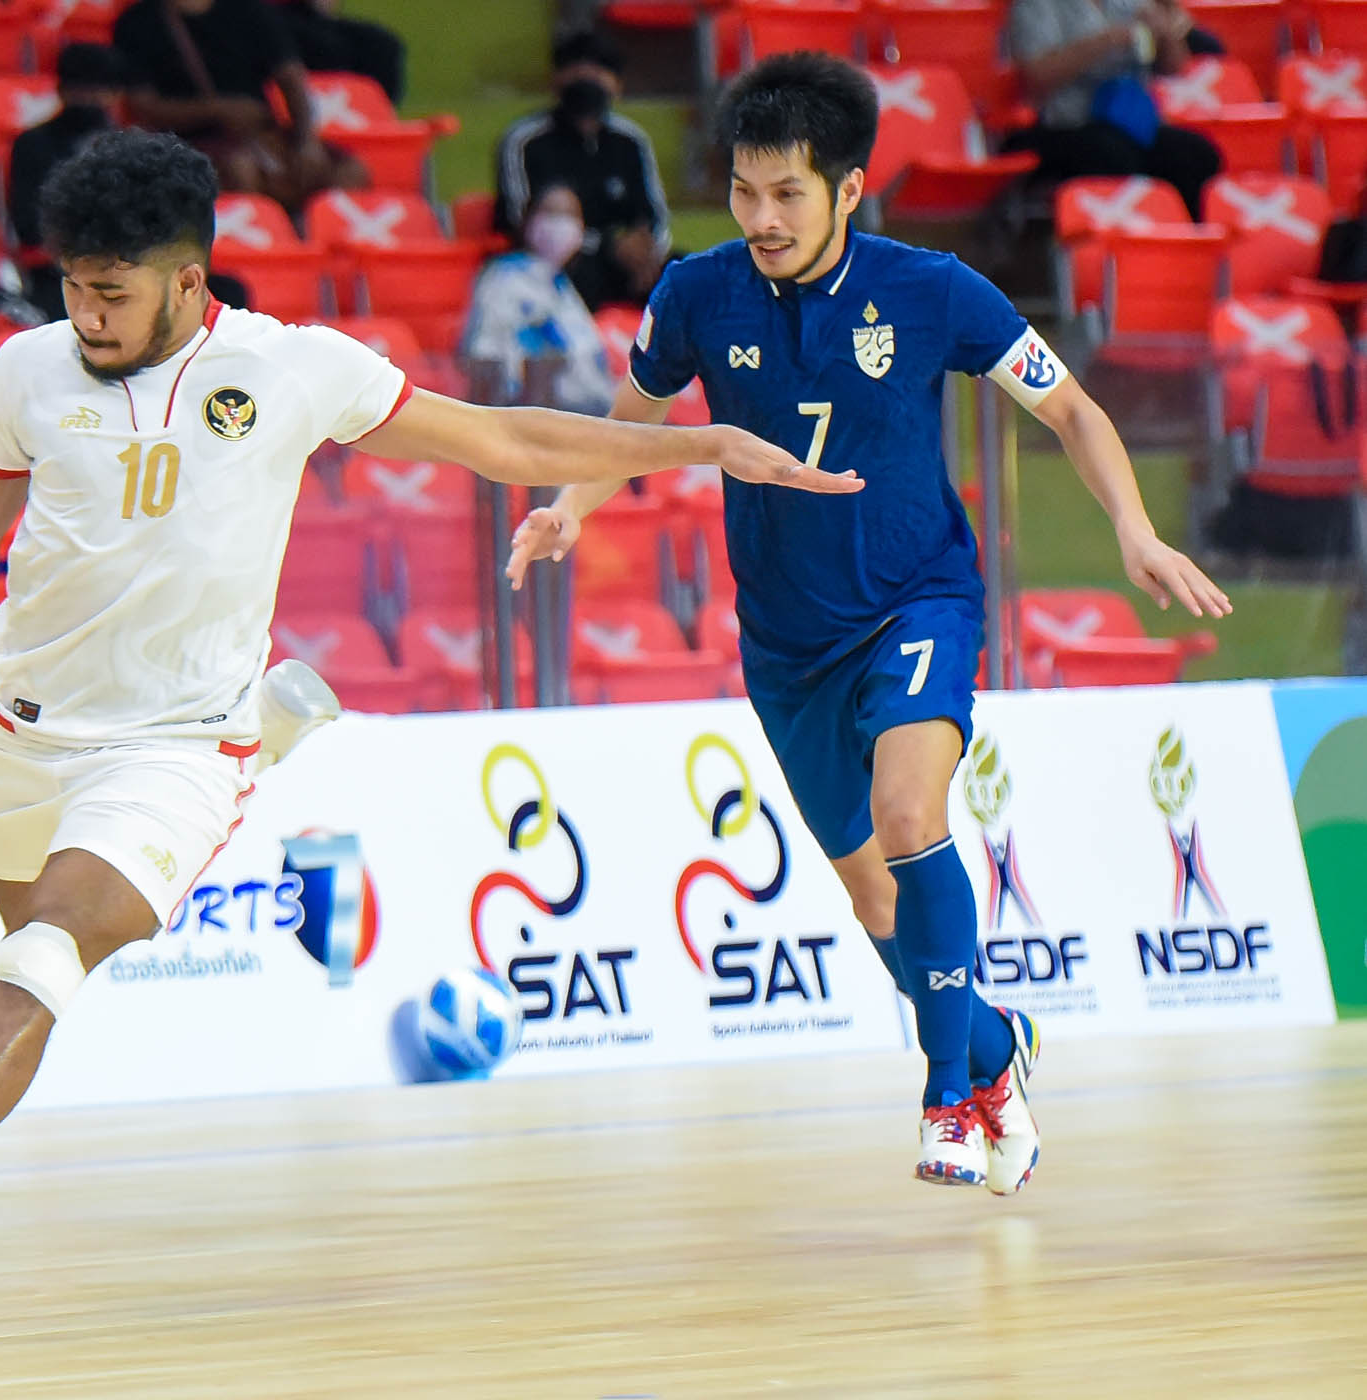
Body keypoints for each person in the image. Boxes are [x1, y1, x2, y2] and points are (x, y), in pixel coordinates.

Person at [0, 128, 856, 1305]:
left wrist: (698, 443)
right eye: (72, 286)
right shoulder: (26, 370)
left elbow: (502, 439)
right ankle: (275, 727)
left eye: (112, 292)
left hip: (173, 747)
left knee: (42, 956)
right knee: (24, 987)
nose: (87, 313)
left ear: (189, 279)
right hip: (27, 742)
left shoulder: (291, 368)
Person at [508, 52, 1233, 1192]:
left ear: (848, 188)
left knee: (910, 809)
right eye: (744, 191)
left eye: (786, 193)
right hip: (786, 642)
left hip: (918, 598)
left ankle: (949, 1089)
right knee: (871, 894)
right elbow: (633, 421)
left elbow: (1073, 408)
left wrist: (1137, 532)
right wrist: (568, 507)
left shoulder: (934, 289)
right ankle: (997, 1045)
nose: (760, 216)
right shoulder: (697, 293)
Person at [113, 0, 363, 210]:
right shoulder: (138, 23)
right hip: (188, 140)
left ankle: (324, 255)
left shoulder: (251, 11)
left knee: (350, 171)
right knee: (240, 169)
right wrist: (218, 109)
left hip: (261, 134)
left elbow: (292, 78)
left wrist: (307, 140)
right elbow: (144, 106)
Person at [494, 30, 672, 311]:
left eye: (599, 70)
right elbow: (522, 220)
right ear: (555, 80)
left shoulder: (631, 140)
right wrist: (607, 247)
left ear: (617, 84)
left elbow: (656, 214)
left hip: (630, 263)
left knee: (688, 277)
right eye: (575, 68)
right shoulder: (525, 141)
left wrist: (647, 255)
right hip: (560, 261)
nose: (587, 77)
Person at [1003, 0, 1219, 218]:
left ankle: (1180, 243)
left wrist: (1165, 35)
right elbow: (1036, 77)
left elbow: (1175, 67)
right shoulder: (1037, 6)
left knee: (1196, 154)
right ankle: (1115, 244)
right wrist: (1108, 40)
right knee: (1114, 153)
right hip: (1066, 125)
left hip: (1128, 122)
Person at [462, 182, 617, 415]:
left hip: (592, 412)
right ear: (529, 221)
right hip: (536, 414)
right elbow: (485, 357)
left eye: (570, 214)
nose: (560, 224)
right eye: (551, 212)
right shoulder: (503, 277)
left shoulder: (561, 285)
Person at [10, 42, 133, 318]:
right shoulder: (33, 145)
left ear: (115, 95)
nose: (89, 101)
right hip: (58, 271)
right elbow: (29, 225)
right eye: (80, 91)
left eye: (98, 92)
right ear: (62, 91)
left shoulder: (130, 148)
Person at [273, 0, 405, 105]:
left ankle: (376, 115)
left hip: (304, 12)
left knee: (382, 47)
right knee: (327, 48)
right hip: (266, 16)